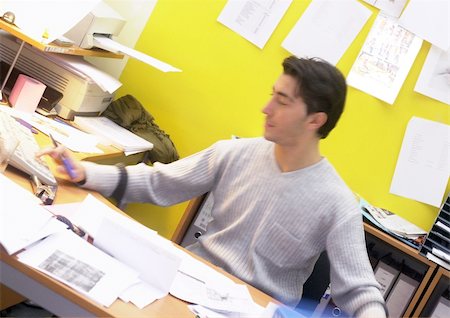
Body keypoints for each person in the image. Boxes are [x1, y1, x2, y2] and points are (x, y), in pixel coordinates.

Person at [38, 56, 386, 317]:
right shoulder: (234, 152)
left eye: (282, 101)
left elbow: (360, 289)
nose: (266, 109)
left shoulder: (337, 202)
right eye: (272, 95)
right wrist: (85, 174)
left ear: (315, 120)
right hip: (188, 288)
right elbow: (159, 184)